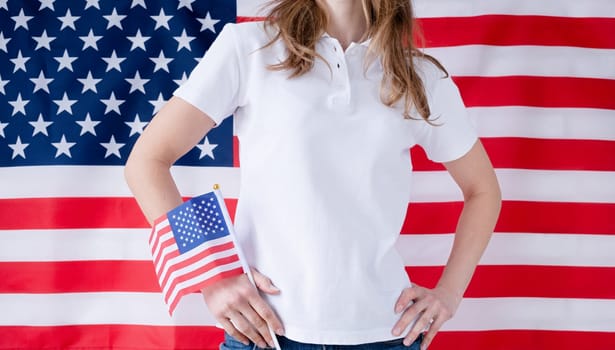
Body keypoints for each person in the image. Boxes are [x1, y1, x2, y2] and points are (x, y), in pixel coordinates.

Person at [125, 0, 502, 349]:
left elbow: (483, 190)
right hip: (265, 333)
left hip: (385, 334)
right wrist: (212, 277)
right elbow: (147, 161)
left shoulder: (418, 76)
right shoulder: (249, 48)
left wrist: (449, 293)